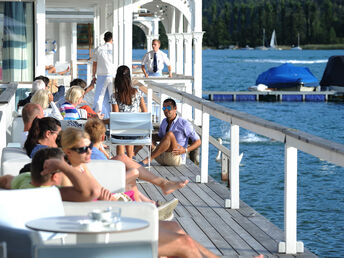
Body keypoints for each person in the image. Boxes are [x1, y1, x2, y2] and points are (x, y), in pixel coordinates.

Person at [0, 147, 218, 258]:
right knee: (184, 243)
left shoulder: (22, 183)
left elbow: (5, 180)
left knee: (174, 227)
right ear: (56, 174)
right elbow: (91, 191)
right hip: (84, 250)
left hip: (69, 243)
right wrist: (67, 167)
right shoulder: (54, 193)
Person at [84, 118, 189, 196]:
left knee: (123, 160)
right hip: (104, 187)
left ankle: (153, 198)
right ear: (103, 137)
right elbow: (106, 169)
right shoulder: (95, 153)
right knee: (130, 168)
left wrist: (102, 150)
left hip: (92, 182)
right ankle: (161, 185)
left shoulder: (85, 150)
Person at [141, 98, 201, 166]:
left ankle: (148, 160)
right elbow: (160, 137)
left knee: (170, 134)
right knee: (148, 136)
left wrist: (185, 150)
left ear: (175, 108)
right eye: (164, 108)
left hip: (175, 158)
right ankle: (133, 155)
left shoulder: (184, 123)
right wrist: (147, 136)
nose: (166, 110)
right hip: (161, 157)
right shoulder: (164, 121)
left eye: (168, 107)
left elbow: (198, 141)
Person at [111, 65, 147, 158]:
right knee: (129, 131)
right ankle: (130, 159)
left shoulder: (115, 96)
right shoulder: (137, 92)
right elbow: (145, 111)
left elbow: (116, 115)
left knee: (120, 131)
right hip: (136, 130)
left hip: (121, 131)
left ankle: (120, 159)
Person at [92, 31, 114, 119]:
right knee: (113, 97)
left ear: (104, 39)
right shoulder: (115, 48)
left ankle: (98, 115)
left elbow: (94, 64)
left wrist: (93, 75)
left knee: (99, 97)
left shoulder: (98, 49)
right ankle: (113, 115)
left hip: (102, 75)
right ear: (112, 39)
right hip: (112, 75)